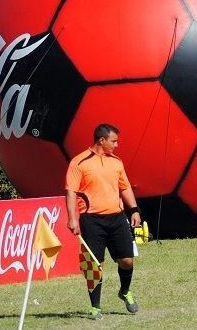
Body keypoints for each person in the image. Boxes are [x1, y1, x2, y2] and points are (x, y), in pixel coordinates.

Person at [65, 123, 141, 320]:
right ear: (102, 140)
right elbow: (71, 192)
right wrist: (73, 218)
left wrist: (134, 210)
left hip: (117, 218)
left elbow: (125, 188)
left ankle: (125, 291)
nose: (117, 145)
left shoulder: (116, 162)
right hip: (92, 221)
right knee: (95, 265)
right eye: (114, 141)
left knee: (127, 260)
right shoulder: (79, 162)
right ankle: (95, 307)